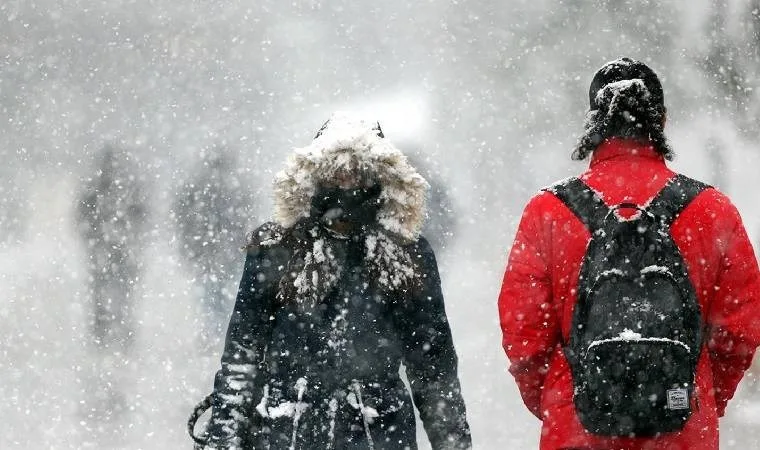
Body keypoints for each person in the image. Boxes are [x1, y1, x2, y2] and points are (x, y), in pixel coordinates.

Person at [498, 57, 760, 450]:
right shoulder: (712, 210)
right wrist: (695, 391)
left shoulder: (547, 212)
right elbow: (739, 331)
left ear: (593, 122)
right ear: (662, 121)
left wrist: (564, 398)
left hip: (577, 428)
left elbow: (524, 336)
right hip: (682, 427)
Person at [201, 113, 471, 449]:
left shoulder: (407, 255)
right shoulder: (276, 249)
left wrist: (453, 443)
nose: (346, 181)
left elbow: (434, 370)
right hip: (289, 431)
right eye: (336, 171)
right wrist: (223, 441)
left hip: (379, 433)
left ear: (381, 176)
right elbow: (242, 357)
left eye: (358, 171)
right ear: (314, 175)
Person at [174, 146, 253, 349]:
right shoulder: (234, 187)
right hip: (222, 249)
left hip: (209, 249)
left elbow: (184, 216)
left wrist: (191, 244)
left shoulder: (199, 187)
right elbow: (244, 215)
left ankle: (214, 330)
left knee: (211, 291)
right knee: (221, 291)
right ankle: (220, 330)